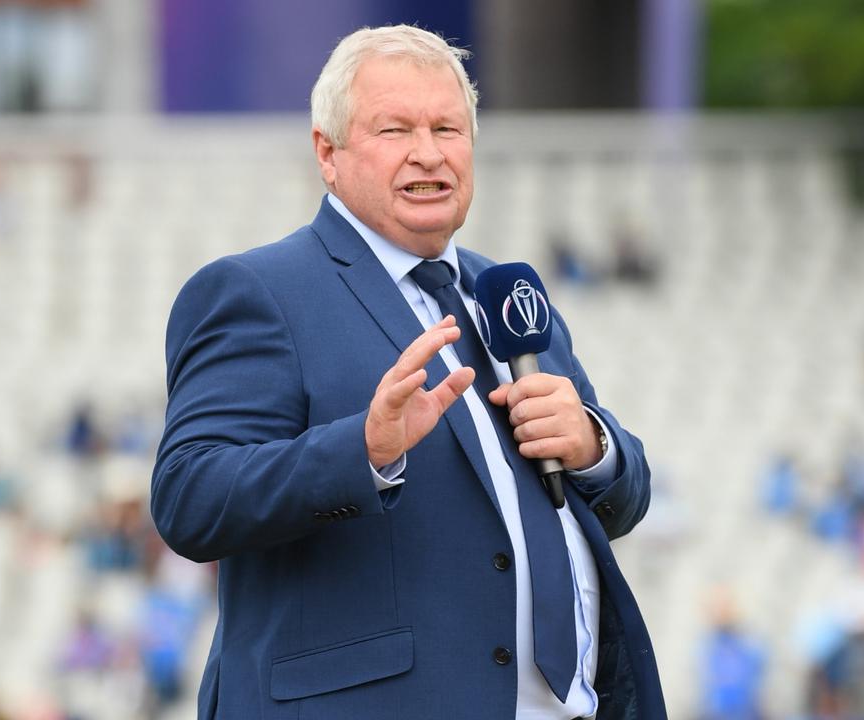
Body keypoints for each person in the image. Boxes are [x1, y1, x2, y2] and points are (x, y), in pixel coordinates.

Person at [152, 25, 664, 719]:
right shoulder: (258, 291)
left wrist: (592, 447)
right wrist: (359, 453)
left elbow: (622, 500)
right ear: (327, 154)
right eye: (395, 130)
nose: (429, 153)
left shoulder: (506, 292)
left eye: (448, 128)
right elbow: (189, 499)